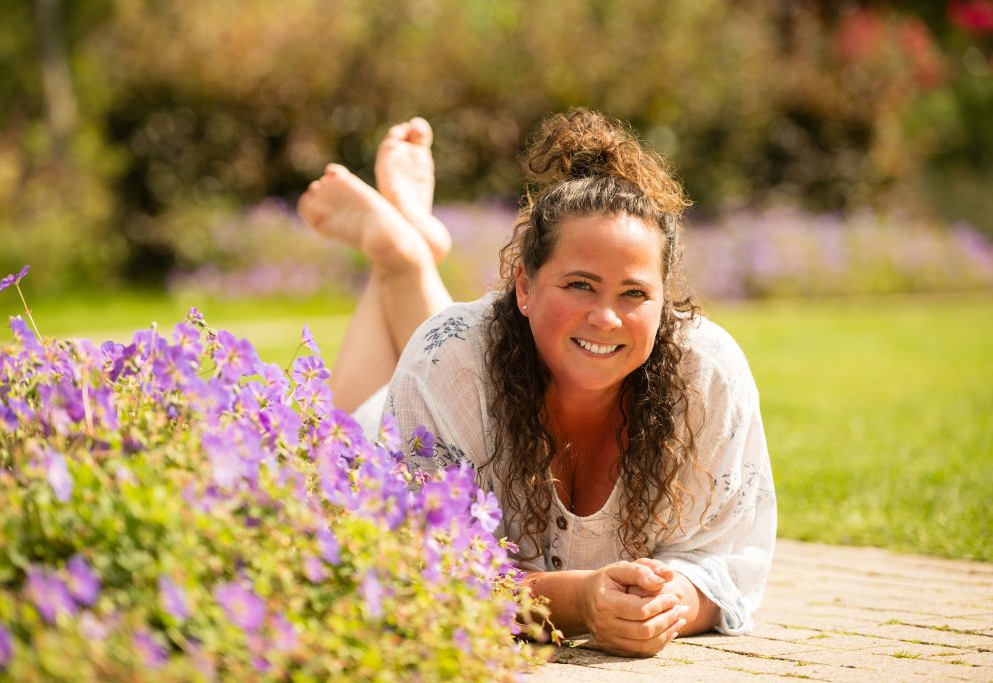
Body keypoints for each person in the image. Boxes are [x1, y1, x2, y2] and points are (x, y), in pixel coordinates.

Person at [297, 109, 776, 657]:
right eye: (580, 284)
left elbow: (733, 555)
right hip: (384, 428)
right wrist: (576, 603)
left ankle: (406, 250)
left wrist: (678, 601)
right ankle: (402, 257)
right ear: (523, 285)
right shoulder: (448, 361)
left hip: (459, 377)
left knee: (459, 349)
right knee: (360, 418)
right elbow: (418, 571)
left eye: (635, 294)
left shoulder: (706, 372)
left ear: (665, 299)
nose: (607, 318)